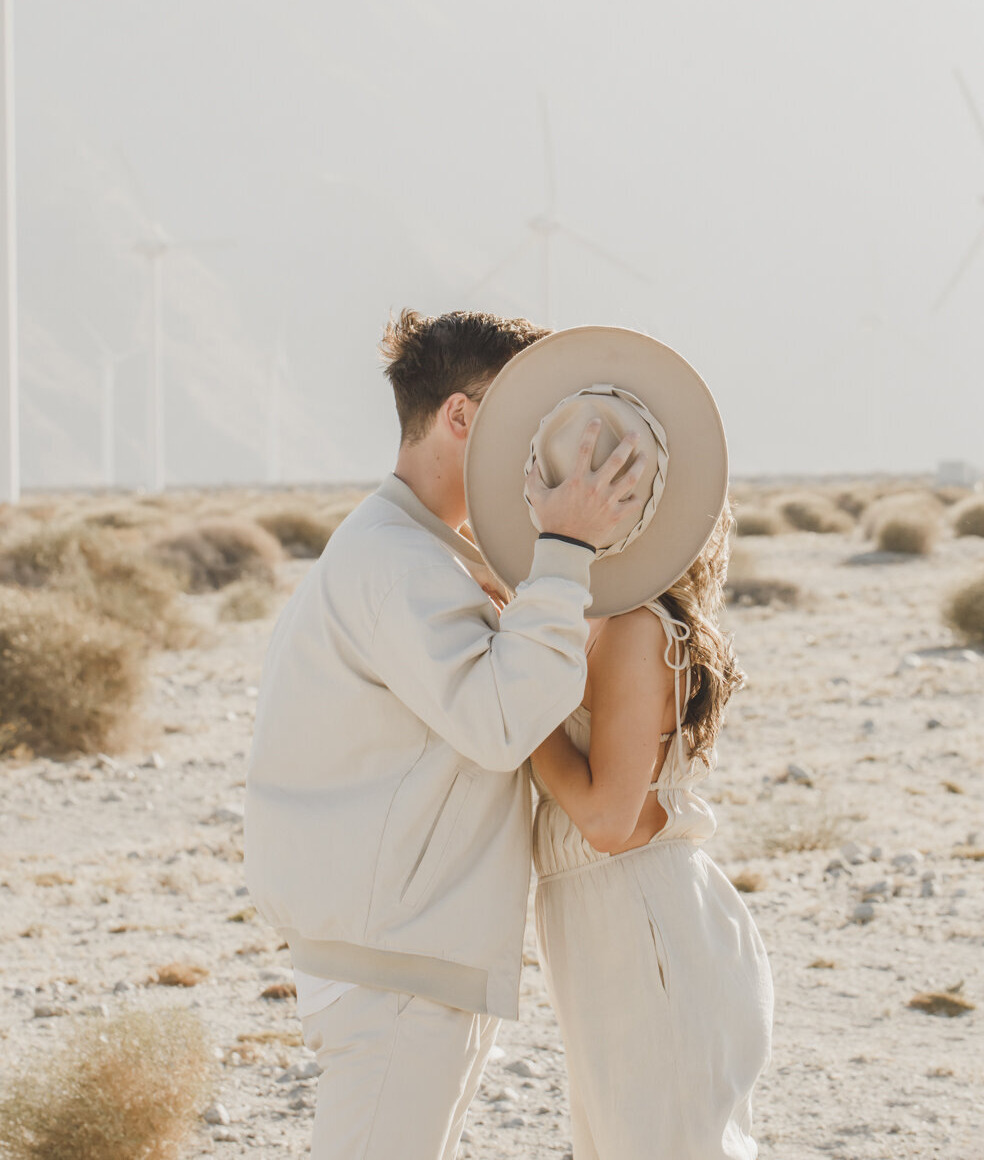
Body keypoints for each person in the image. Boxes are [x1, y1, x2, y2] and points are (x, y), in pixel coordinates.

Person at [243, 308, 647, 1160]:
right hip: (394, 968)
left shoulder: (418, 552)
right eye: (523, 414)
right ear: (461, 417)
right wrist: (567, 547)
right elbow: (501, 723)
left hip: (402, 956)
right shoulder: (400, 564)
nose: (545, 443)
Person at [464, 323, 773, 1160]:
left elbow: (607, 819)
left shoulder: (637, 628)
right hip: (607, 924)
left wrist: (512, 703)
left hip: (646, 923)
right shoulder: (582, 617)